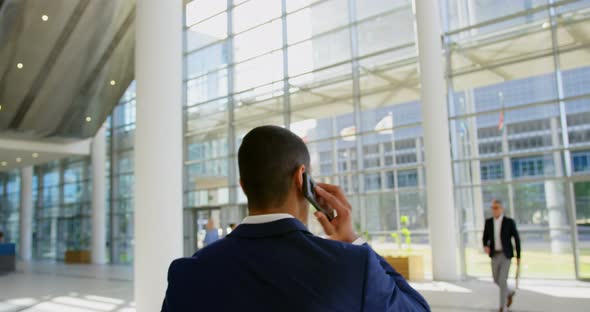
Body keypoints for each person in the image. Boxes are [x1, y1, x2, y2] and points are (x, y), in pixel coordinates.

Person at [162, 125, 430, 311]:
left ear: (243, 185)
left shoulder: (188, 274)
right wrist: (352, 239)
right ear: (302, 179)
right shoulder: (352, 266)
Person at [482, 199, 521, 312]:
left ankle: (502, 307)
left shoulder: (509, 222)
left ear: (501, 209)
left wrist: (518, 256)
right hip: (494, 254)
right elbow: (485, 237)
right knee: (496, 279)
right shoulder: (488, 222)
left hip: (506, 255)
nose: (494, 210)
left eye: (496, 207)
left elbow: (516, 239)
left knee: (502, 280)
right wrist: (485, 245)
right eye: (492, 208)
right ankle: (509, 292)